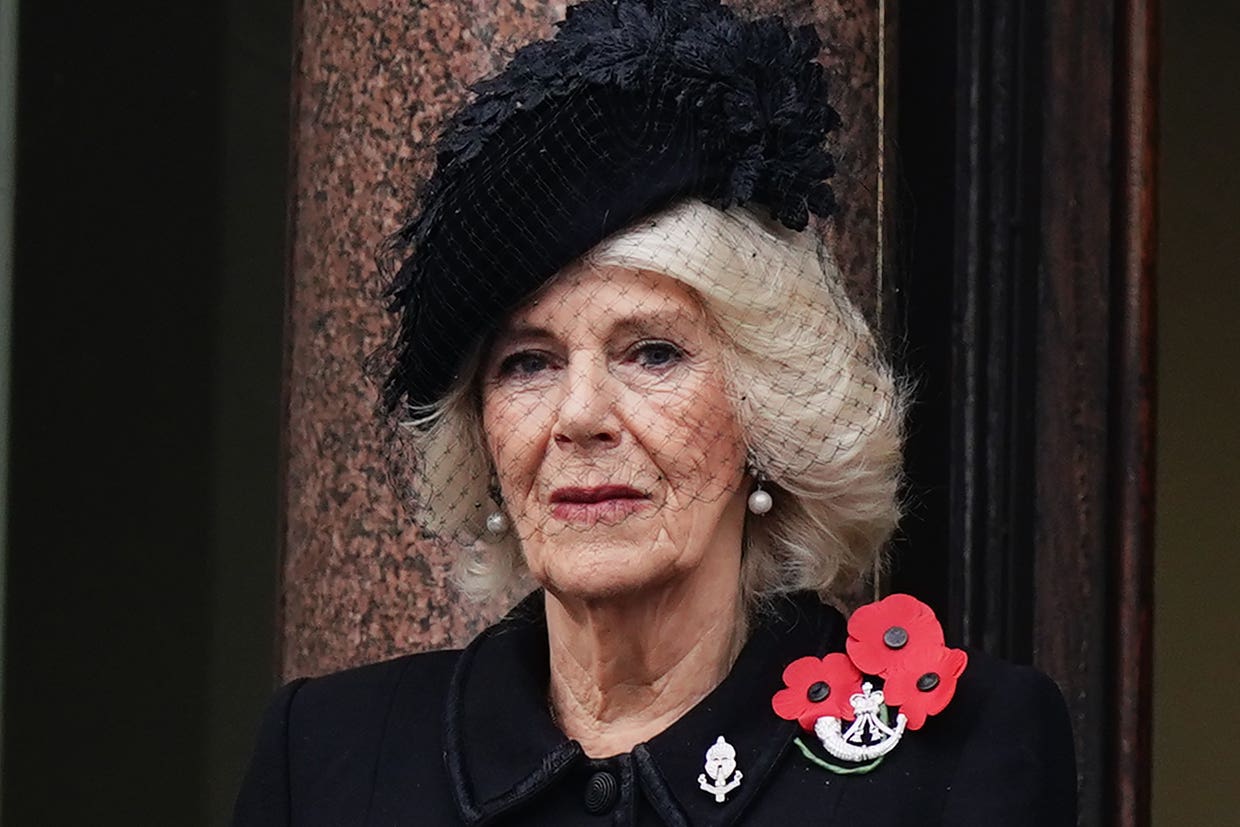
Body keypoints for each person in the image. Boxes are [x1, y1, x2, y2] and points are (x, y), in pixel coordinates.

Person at [234, 1, 1077, 824]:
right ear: (482, 438)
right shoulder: (326, 755)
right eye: (529, 363)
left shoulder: (963, 756)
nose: (582, 415)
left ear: (768, 410)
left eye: (653, 352)